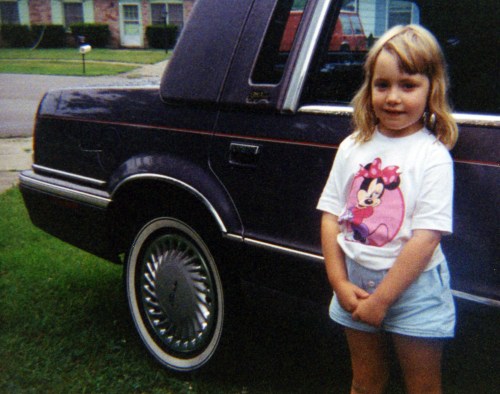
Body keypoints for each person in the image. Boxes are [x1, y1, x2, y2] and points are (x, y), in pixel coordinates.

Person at [317, 24, 459, 394]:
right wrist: (339, 283)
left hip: (415, 289)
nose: (393, 97)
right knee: (365, 382)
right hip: (356, 281)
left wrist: (382, 301)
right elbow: (332, 215)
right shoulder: (353, 146)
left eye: (408, 85)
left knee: (423, 387)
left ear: (432, 90)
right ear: (369, 89)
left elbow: (426, 239)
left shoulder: (432, 156)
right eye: (383, 85)